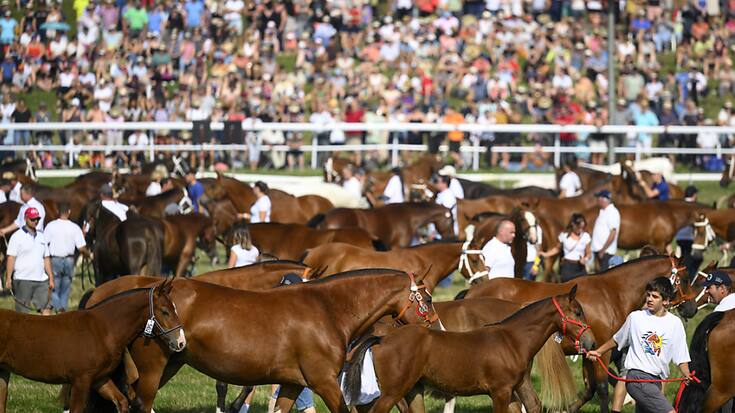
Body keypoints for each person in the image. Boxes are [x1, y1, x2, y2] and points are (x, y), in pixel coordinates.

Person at [586, 277, 693, 413]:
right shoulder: (636, 317)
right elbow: (617, 339)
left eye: (655, 296)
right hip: (637, 378)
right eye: (648, 295)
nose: (649, 299)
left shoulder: (675, 323)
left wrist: (686, 373)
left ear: (665, 301)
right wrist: (599, 351)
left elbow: (681, 354)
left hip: (657, 381)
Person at [3, 207, 54, 315]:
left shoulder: (42, 236)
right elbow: (11, 258)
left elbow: (46, 258)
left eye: (37, 219)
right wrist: (8, 278)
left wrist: (50, 277)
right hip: (22, 279)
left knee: (46, 309)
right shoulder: (16, 237)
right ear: (26, 218)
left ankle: (45, 331)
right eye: (32, 219)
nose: (35, 221)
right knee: (23, 313)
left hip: (41, 280)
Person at [44, 202, 89, 312]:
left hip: (55, 259)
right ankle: (62, 309)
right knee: (65, 289)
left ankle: (59, 308)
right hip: (69, 260)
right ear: (69, 212)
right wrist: (89, 255)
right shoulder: (75, 227)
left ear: (58, 212)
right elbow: (82, 248)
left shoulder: (50, 226)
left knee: (53, 289)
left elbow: (44, 243)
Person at [540, 213, 591, 282]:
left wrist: (585, 259)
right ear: (573, 225)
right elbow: (557, 249)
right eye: (579, 227)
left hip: (580, 267)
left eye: (583, 227)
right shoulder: (564, 236)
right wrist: (546, 254)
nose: (581, 230)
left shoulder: (585, 236)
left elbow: (589, 253)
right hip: (567, 267)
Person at [591, 189, 621, 271]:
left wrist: (603, 250)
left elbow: (613, 233)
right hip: (600, 251)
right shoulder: (603, 211)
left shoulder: (612, 212)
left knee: (603, 277)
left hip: (605, 252)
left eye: (598, 198)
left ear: (603, 199)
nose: (597, 200)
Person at [675, 186, 700, 275]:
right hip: (689, 236)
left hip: (679, 236)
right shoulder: (695, 206)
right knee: (689, 258)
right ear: (694, 195)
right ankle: (688, 275)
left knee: (682, 257)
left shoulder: (679, 205)